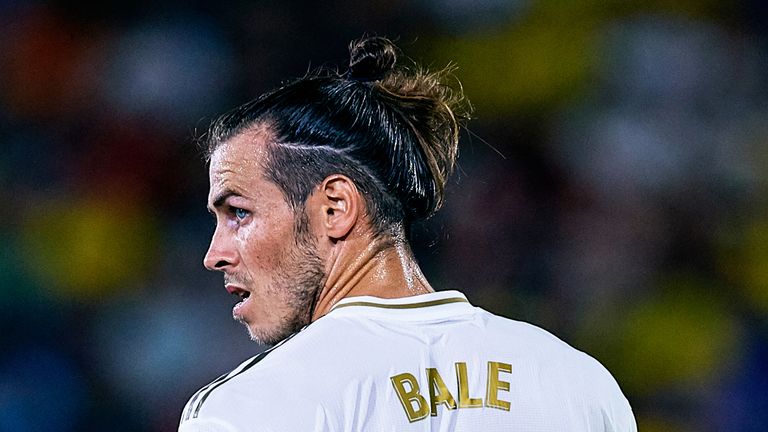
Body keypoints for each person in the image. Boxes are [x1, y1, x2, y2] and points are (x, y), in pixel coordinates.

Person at [178, 36, 637, 432]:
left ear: (335, 208)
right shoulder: (580, 383)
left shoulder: (253, 406)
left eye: (238, 212)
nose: (214, 255)